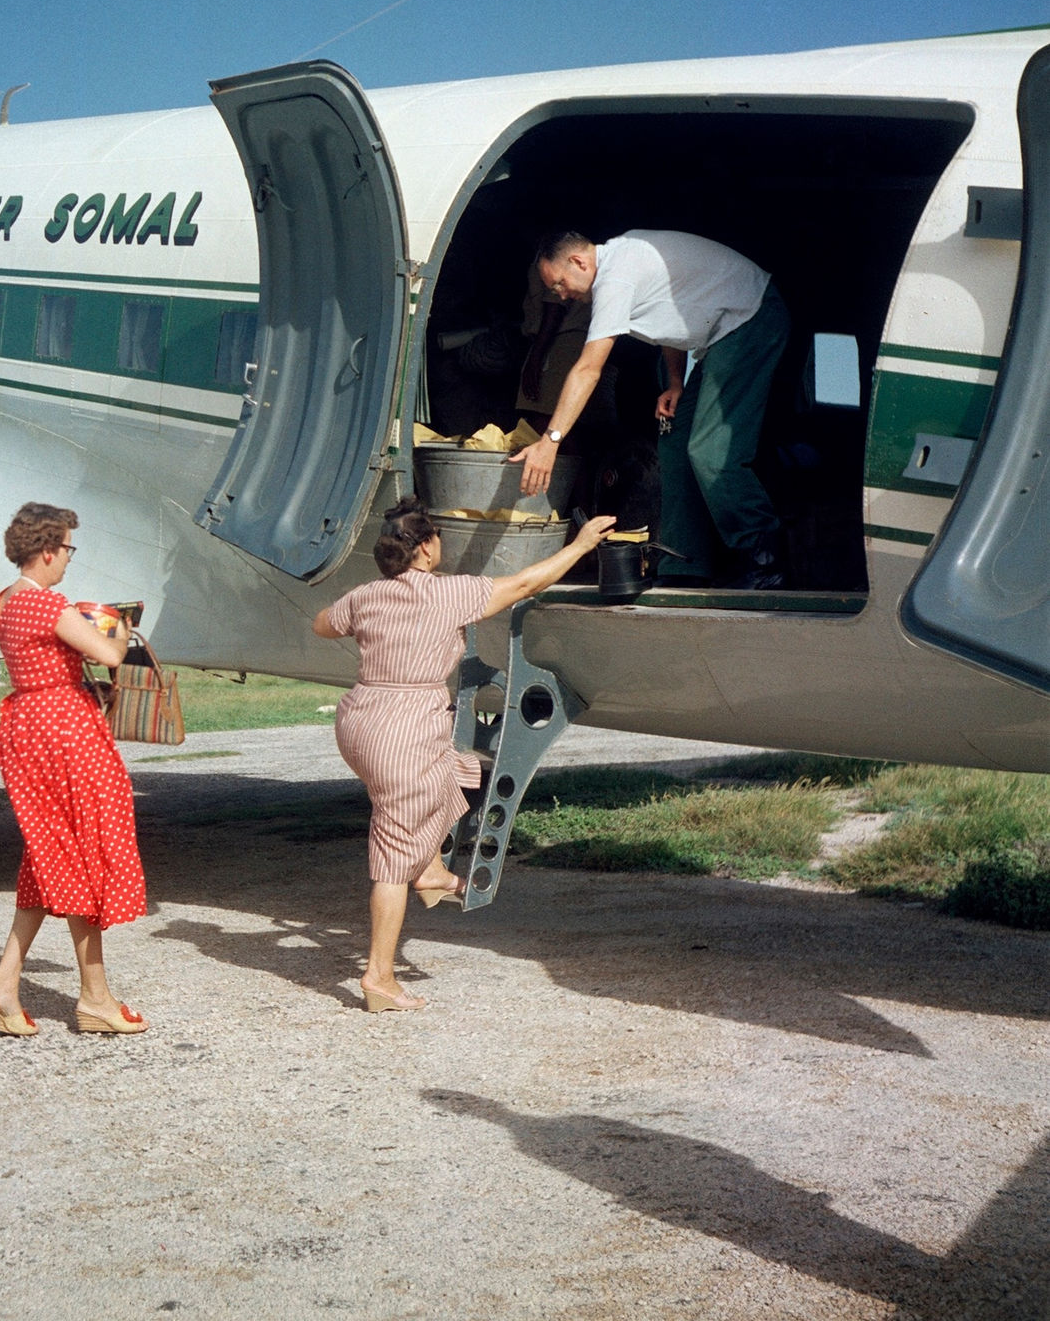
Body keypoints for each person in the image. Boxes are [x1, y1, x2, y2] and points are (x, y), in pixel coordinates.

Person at [313, 498, 616, 1013]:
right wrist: (581, 546)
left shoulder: (366, 596)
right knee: (392, 853)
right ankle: (379, 977)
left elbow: (322, 624)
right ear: (427, 547)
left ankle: (430, 869)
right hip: (404, 728)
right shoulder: (449, 593)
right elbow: (524, 584)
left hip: (361, 721)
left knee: (446, 775)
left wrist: (365, 619)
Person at [515, 230, 791, 589]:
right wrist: (675, 382)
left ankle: (764, 560)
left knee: (710, 452)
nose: (562, 295)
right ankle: (683, 564)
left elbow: (588, 368)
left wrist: (550, 440)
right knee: (674, 443)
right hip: (723, 332)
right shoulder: (623, 261)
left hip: (751, 315)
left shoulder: (616, 276)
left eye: (560, 284)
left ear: (580, 262)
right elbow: (670, 320)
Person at [0, 502, 149, 1037]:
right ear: (48, 550)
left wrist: (77, 686)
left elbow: (45, 669)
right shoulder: (47, 604)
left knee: (55, 854)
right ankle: (95, 998)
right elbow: (111, 654)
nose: (69, 561)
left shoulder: (7, 602)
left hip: (33, 724)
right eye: (68, 549)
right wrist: (122, 626)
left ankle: (5, 986)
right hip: (64, 736)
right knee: (86, 849)